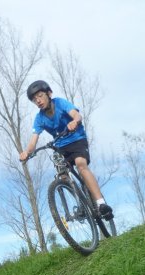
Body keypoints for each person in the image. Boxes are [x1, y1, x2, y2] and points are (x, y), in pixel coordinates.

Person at [19, 80, 114, 221]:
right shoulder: (39, 118)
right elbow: (34, 140)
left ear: (49, 94)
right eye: (34, 100)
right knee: (62, 176)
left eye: (40, 96)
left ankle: (101, 204)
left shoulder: (60, 103)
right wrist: (26, 152)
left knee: (81, 164)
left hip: (77, 139)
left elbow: (77, 115)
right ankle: (80, 202)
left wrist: (74, 121)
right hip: (60, 146)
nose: (38, 101)